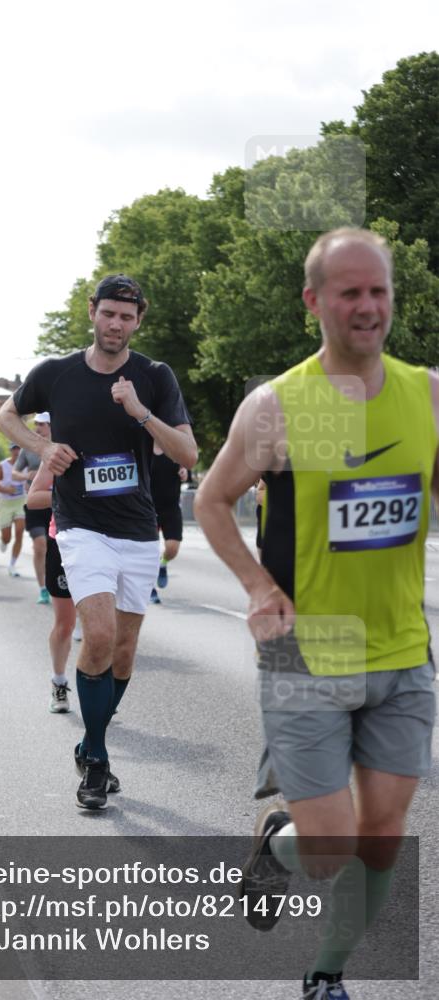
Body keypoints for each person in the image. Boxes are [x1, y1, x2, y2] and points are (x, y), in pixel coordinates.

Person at [194, 228, 438, 1000]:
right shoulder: (277, 406)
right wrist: (256, 587)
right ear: (313, 302)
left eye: (378, 291)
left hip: (402, 649)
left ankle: (324, 974)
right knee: (331, 847)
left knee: (383, 836)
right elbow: (211, 501)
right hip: (304, 650)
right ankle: (280, 845)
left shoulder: (427, 393)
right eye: (348, 292)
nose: (367, 307)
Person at [0, 273, 197, 809]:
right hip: (80, 525)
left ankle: (89, 744)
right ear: (92, 312)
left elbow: (188, 454)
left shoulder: (154, 376)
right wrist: (43, 447)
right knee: (100, 636)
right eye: (108, 313)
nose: (116, 324)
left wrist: (141, 412)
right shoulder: (56, 373)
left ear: (138, 321)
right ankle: (99, 761)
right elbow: (5, 416)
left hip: (138, 529)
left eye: (127, 317)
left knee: (124, 653)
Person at [27, 460, 76, 714]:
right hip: (65, 541)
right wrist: (75, 492)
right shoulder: (59, 451)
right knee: (65, 624)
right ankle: (59, 682)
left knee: (104, 626)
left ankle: (100, 689)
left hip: (110, 539)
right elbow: (33, 498)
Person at [13, 412, 53, 604]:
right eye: (36, 424)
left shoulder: (61, 446)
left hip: (56, 504)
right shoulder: (28, 449)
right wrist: (26, 476)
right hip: (35, 503)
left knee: (55, 549)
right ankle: (43, 588)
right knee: (39, 545)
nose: (38, 428)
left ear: (51, 425)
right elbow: (15, 472)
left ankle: (59, 585)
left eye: (42, 424)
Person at [149, 443, 189, 603]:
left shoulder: (174, 449)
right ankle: (150, 588)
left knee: (172, 549)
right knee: (150, 552)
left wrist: (184, 472)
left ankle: (163, 564)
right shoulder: (144, 448)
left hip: (171, 509)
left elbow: (187, 466)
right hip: (148, 509)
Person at [0, 443, 26, 577]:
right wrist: (6, 490)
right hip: (5, 503)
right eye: (14, 449)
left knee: (20, 531)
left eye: (19, 448)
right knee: (7, 537)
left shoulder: (27, 465)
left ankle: (12, 564)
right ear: (11, 451)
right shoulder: (3, 465)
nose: (17, 451)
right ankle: (4, 541)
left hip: (20, 502)